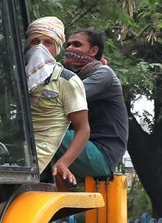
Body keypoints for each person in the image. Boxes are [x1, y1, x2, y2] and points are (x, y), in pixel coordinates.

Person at [24, 17, 89, 185]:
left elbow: (83, 129)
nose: (39, 48)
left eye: (47, 43)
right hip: (3, 152)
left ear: (56, 48)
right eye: (35, 41)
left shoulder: (67, 82)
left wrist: (64, 162)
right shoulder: (17, 77)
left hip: (28, 164)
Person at [60, 27, 129, 179]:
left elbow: (65, 98)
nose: (70, 48)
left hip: (102, 154)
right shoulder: (72, 78)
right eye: (69, 45)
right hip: (83, 147)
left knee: (45, 130)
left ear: (93, 51)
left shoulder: (104, 74)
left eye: (77, 45)